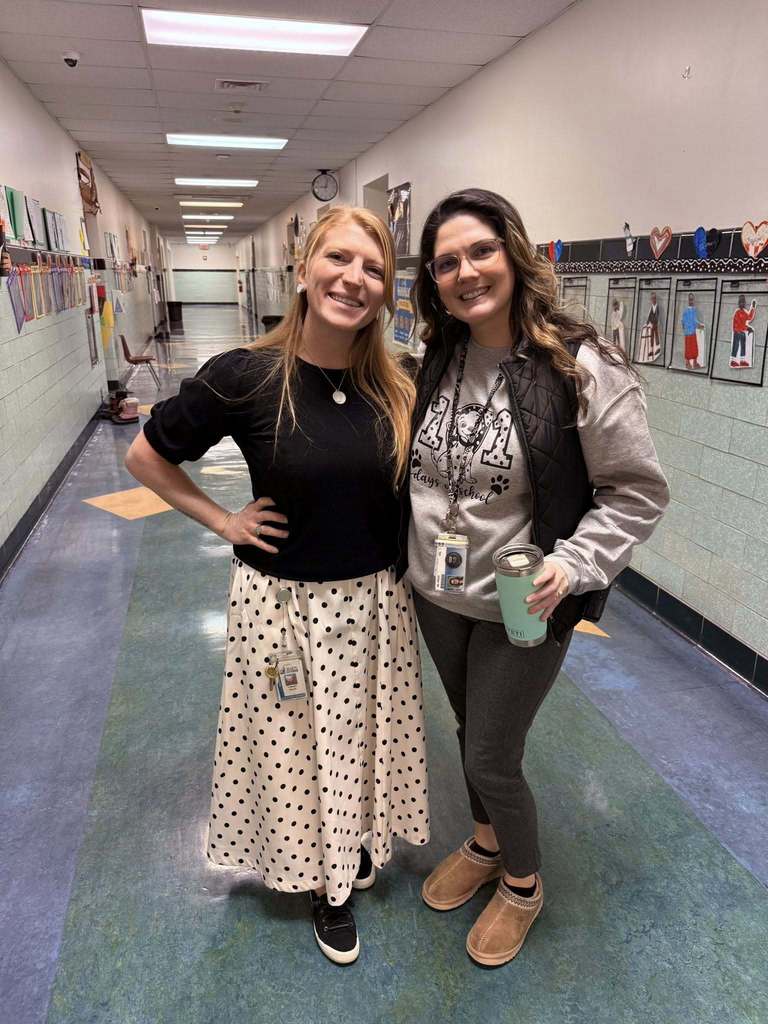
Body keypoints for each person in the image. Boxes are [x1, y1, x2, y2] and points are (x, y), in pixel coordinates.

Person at [125, 206, 429, 965]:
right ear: (303, 270)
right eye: (339, 259)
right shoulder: (246, 375)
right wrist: (222, 521)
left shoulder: (396, 386)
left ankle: (350, 844)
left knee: (358, 739)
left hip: (376, 606)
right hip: (282, 611)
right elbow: (144, 457)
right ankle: (324, 887)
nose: (353, 279)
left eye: (372, 268)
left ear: (386, 292)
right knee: (296, 744)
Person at [401, 188, 669, 967]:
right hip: (437, 591)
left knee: (490, 753)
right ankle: (485, 844)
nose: (465, 271)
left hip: (524, 597)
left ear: (515, 253)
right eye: (446, 261)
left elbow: (638, 490)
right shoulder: (442, 354)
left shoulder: (580, 362)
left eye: (480, 251)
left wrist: (574, 563)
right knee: (468, 729)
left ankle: (522, 884)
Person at [730, 294, 756, 369]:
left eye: (743, 302)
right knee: (736, 346)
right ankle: (733, 360)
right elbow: (737, 324)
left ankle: (742, 360)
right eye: (741, 302)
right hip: (737, 332)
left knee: (743, 346)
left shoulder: (744, 312)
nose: (742, 303)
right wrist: (746, 328)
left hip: (742, 332)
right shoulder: (737, 312)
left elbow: (749, 317)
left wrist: (753, 308)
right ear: (738, 303)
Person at [681, 292, 705, 369]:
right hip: (688, 332)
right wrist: (686, 329)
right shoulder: (686, 311)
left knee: (694, 347)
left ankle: (694, 362)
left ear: (694, 300)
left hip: (693, 332)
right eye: (690, 299)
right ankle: (687, 362)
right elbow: (683, 322)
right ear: (688, 300)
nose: (691, 301)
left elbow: (695, 320)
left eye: (692, 300)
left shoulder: (694, 310)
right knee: (688, 347)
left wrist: (699, 325)